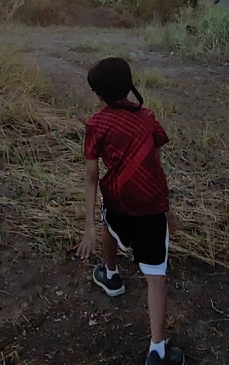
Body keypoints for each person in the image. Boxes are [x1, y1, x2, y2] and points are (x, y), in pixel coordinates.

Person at [76, 57, 184, 365]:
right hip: (150, 208)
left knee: (108, 220)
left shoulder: (96, 124)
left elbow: (91, 176)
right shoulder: (147, 117)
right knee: (156, 277)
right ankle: (158, 351)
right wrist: (167, 210)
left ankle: (111, 276)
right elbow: (156, 167)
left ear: (98, 94)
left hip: (117, 202)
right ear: (130, 86)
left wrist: (87, 228)